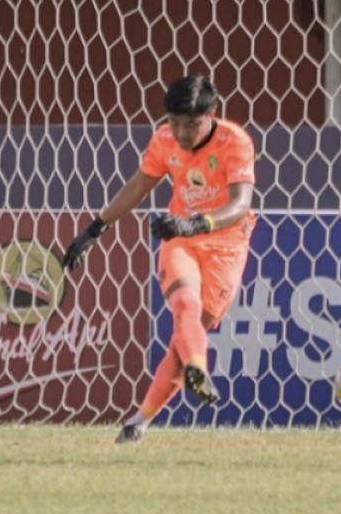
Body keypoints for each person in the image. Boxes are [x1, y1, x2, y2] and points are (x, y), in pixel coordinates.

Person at [60, 75, 257, 444]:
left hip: (226, 246)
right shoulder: (164, 140)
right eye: (174, 122)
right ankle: (199, 369)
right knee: (184, 306)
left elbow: (241, 204)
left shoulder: (235, 142)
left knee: (186, 336)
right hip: (179, 237)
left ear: (211, 114)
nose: (181, 132)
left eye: (191, 124)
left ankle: (139, 423)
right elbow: (137, 185)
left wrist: (199, 221)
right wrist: (94, 230)